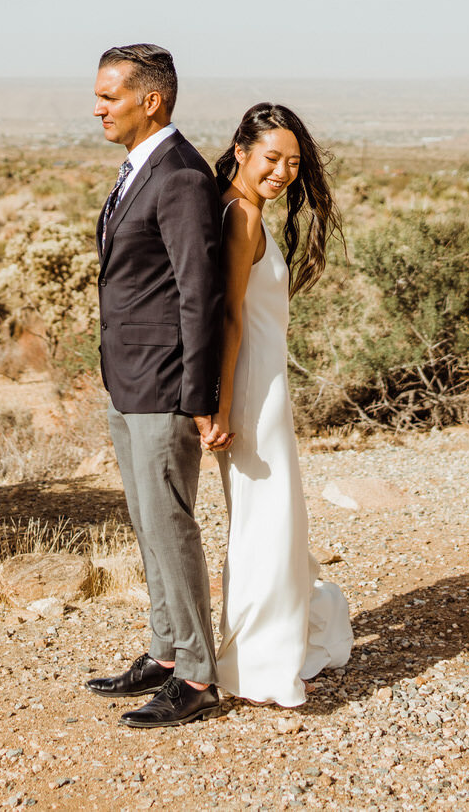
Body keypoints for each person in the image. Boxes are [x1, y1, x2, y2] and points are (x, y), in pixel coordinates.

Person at [83, 44, 228, 728]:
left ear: (153, 100)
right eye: (98, 94)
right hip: (127, 379)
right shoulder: (140, 169)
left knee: (170, 525)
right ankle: (165, 652)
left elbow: (201, 295)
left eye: (110, 95)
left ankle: (197, 675)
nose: (98, 106)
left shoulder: (179, 176)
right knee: (147, 523)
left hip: (166, 384)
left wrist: (200, 397)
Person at [203, 103, 354, 707]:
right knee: (268, 517)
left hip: (261, 383)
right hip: (251, 390)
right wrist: (220, 404)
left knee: (270, 515)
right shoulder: (240, 216)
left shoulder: (243, 208)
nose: (284, 172)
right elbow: (232, 317)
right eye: (272, 158)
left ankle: (273, 640)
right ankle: (260, 661)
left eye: (294, 163)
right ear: (240, 150)